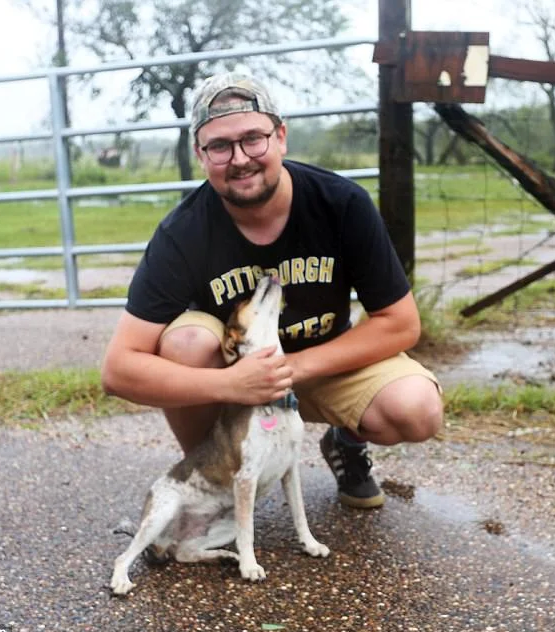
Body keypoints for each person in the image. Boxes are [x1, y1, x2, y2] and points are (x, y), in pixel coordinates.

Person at [100, 72, 444, 508]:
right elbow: (118, 370)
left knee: (417, 408)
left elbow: (401, 324)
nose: (240, 158)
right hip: (232, 374)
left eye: (253, 139)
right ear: (200, 154)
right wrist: (231, 384)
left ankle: (347, 442)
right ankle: (218, 481)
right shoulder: (182, 233)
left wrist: (287, 371)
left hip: (317, 362)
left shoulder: (341, 205)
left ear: (280, 136)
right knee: (186, 342)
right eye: (220, 146)